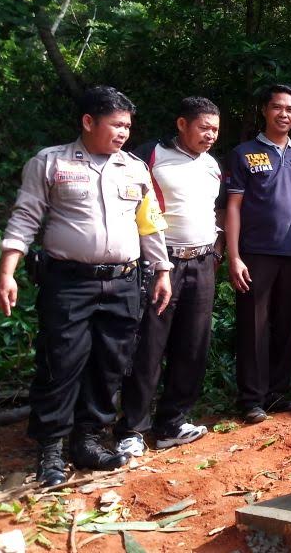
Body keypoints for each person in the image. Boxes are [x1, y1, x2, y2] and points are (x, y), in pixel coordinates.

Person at [0, 86, 172, 486]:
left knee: (110, 364)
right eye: (116, 124)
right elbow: (25, 217)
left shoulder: (134, 168)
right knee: (61, 363)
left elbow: (150, 224)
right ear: (88, 122)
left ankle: (88, 439)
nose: (124, 132)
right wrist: (7, 269)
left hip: (124, 282)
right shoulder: (50, 163)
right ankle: (51, 447)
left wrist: (162, 270)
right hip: (69, 283)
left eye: (128, 125)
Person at [115, 97, 223, 458]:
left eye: (215, 130)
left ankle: (172, 423)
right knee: (148, 346)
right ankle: (132, 427)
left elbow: (210, 211)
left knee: (193, 345)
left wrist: (215, 253)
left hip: (203, 263)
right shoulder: (149, 156)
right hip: (162, 265)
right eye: (204, 127)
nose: (210, 135)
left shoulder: (211, 165)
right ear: (182, 124)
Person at [225, 84, 291, 424]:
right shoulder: (244, 153)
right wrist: (233, 256)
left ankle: (277, 391)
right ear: (264, 109)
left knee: (287, 325)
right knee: (254, 326)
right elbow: (232, 207)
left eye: (290, 109)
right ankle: (252, 398)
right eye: (277, 107)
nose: (284, 114)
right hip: (255, 253)